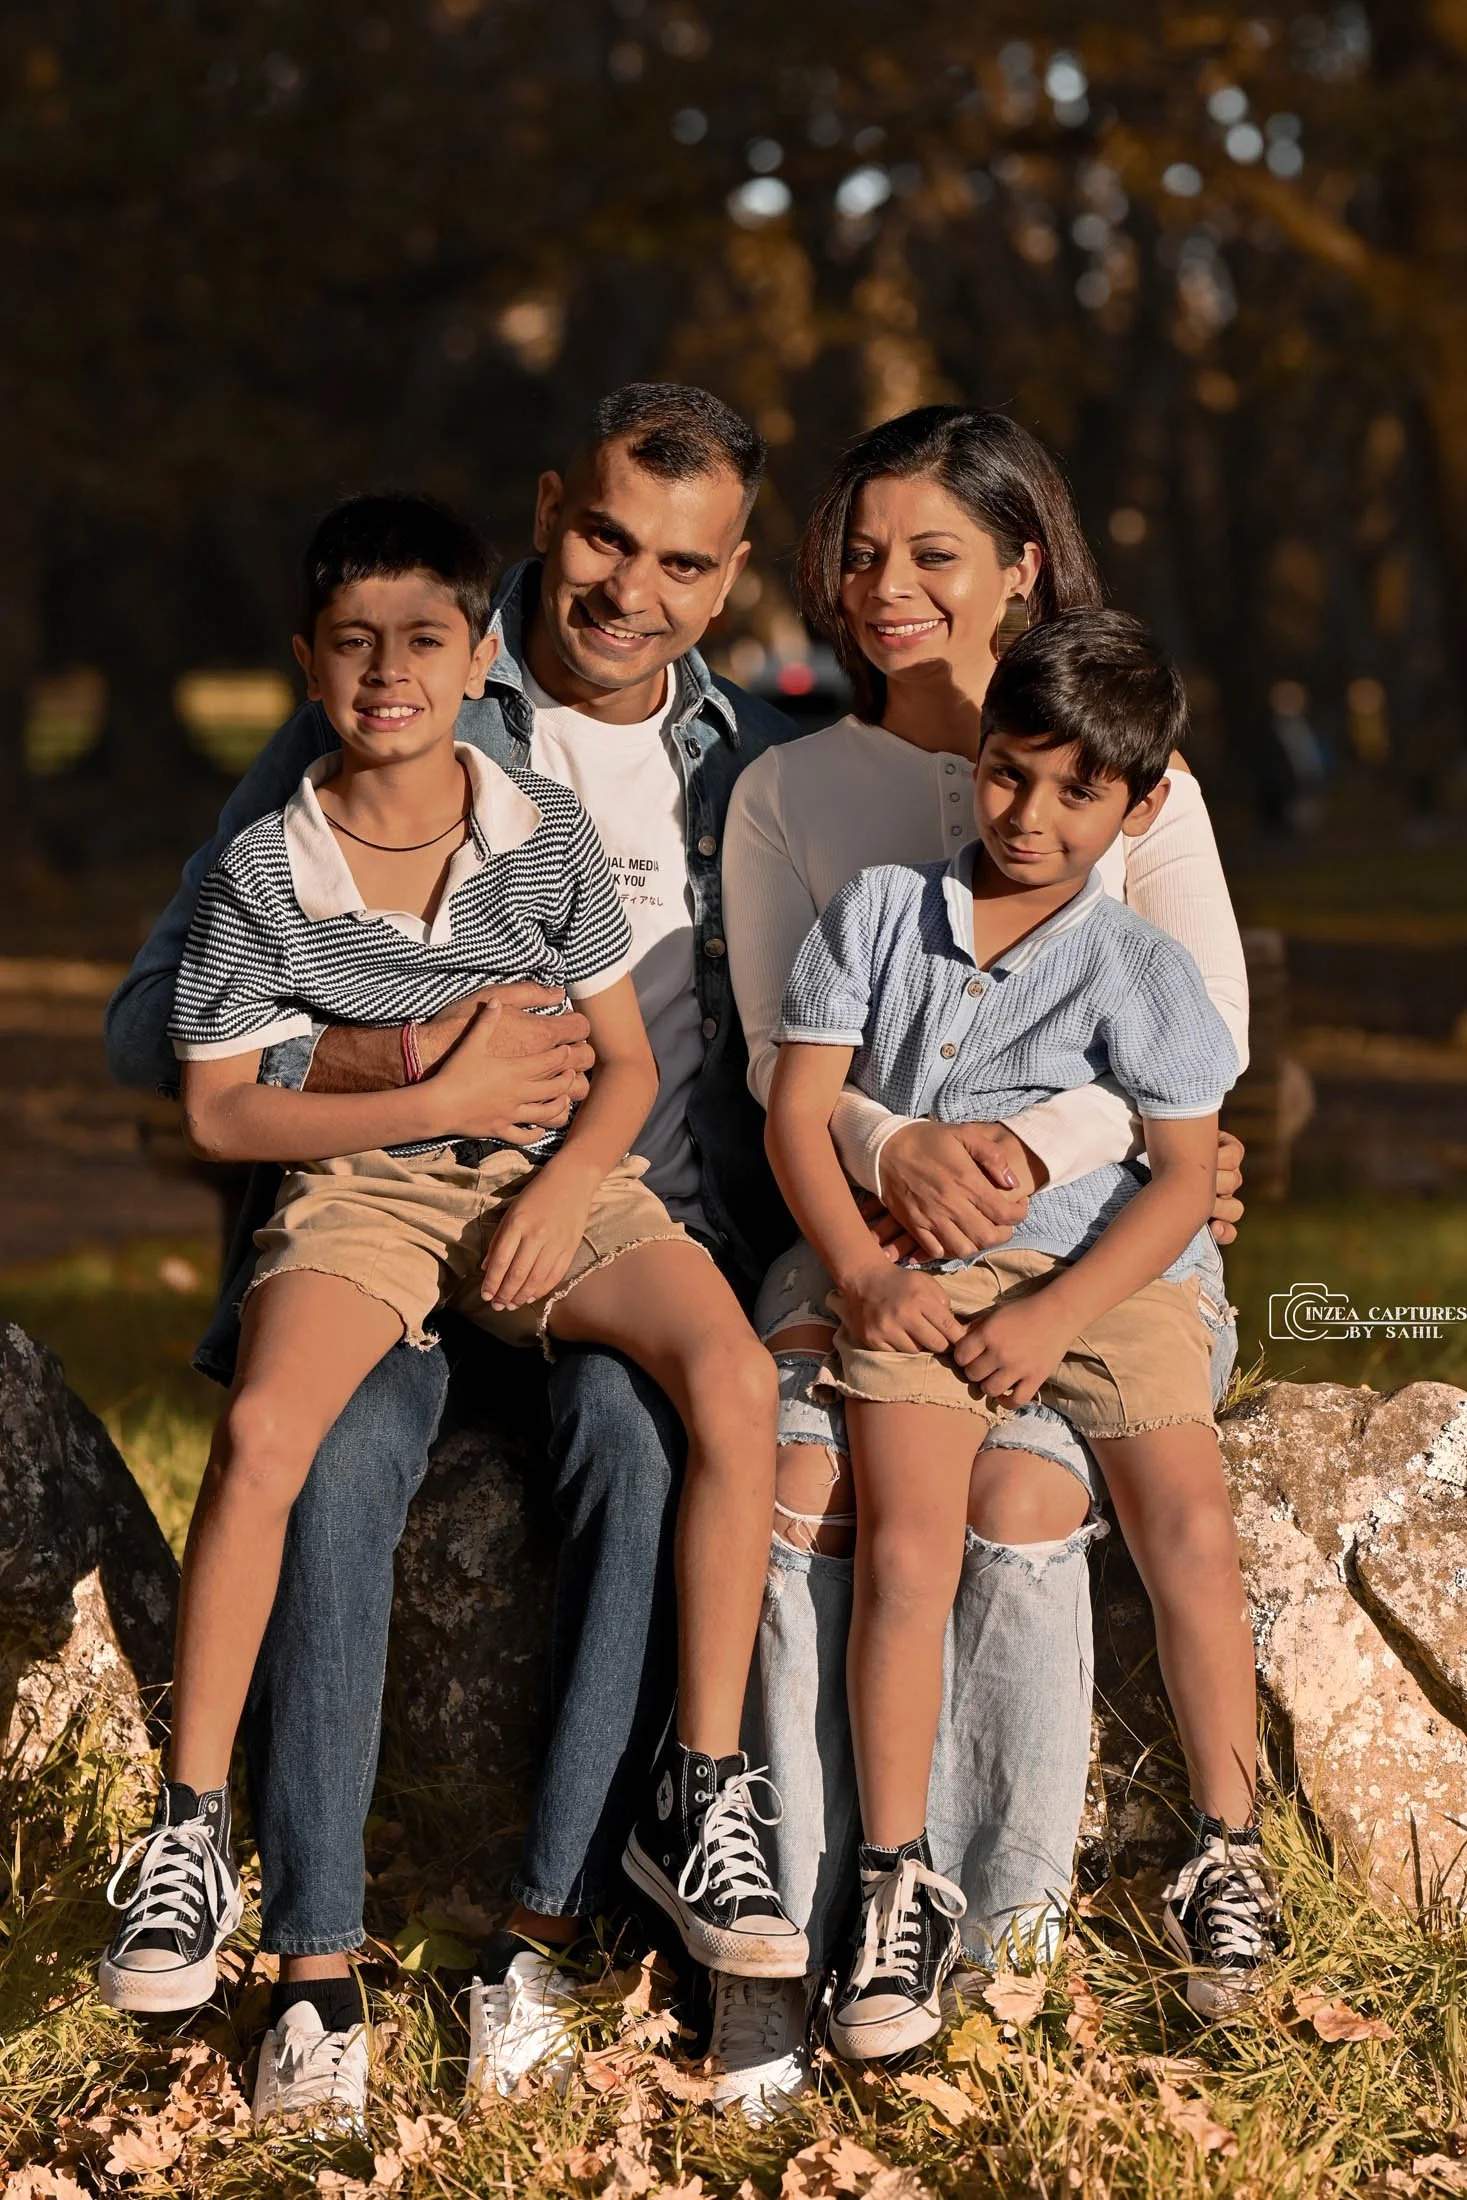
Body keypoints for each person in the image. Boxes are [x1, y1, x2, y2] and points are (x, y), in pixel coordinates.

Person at [102, 386, 807, 2125]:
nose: (631, 589)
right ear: (549, 512)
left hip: (609, 1229)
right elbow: (157, 1033)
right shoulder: (392, 694)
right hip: (375, 1216)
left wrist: (1134, 1145)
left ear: (729, 580)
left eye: (683, 564)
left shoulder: (755, 762)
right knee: (327, 1453)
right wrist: (413, 1062)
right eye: (605, 537)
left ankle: (547, 1935)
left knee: (649, 1443)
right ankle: (306, 1965)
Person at [721, 407, 1249, 2098]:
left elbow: (1192, 1073)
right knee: (827, 1498)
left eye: (933, 552)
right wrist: (898, 1176)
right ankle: (809, 1920)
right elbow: (786, 1074)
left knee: (1039, 1503)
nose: (887, 584)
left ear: (1021, 568)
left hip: (1087, 1253)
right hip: (880, 1239)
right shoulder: (802, 803)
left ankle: (1024, 1930)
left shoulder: (1133, 780)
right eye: (861, 550)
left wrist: (1019, 1158)